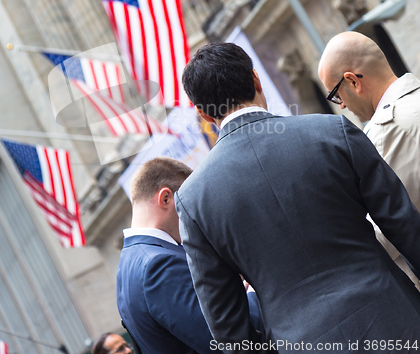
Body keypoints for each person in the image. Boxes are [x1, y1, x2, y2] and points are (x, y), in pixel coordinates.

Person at [176, 42, 420, 353]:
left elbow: (227, 327)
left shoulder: (193, 200)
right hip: (397, 323)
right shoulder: (332, 131)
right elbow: (405, 225)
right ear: (256, 80)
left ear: (202, 113)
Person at [117, 157, 264, 354]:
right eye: (188, 201)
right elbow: (225, 342)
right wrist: (252, 293)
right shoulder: (158, 265)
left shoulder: (128, 263)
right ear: (166, 198)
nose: (193, 211)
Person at [318, 31, 420, 286]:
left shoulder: (387, 130)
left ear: (353, 81)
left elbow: (386, 232)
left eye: (336, 94)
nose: (341, 105)